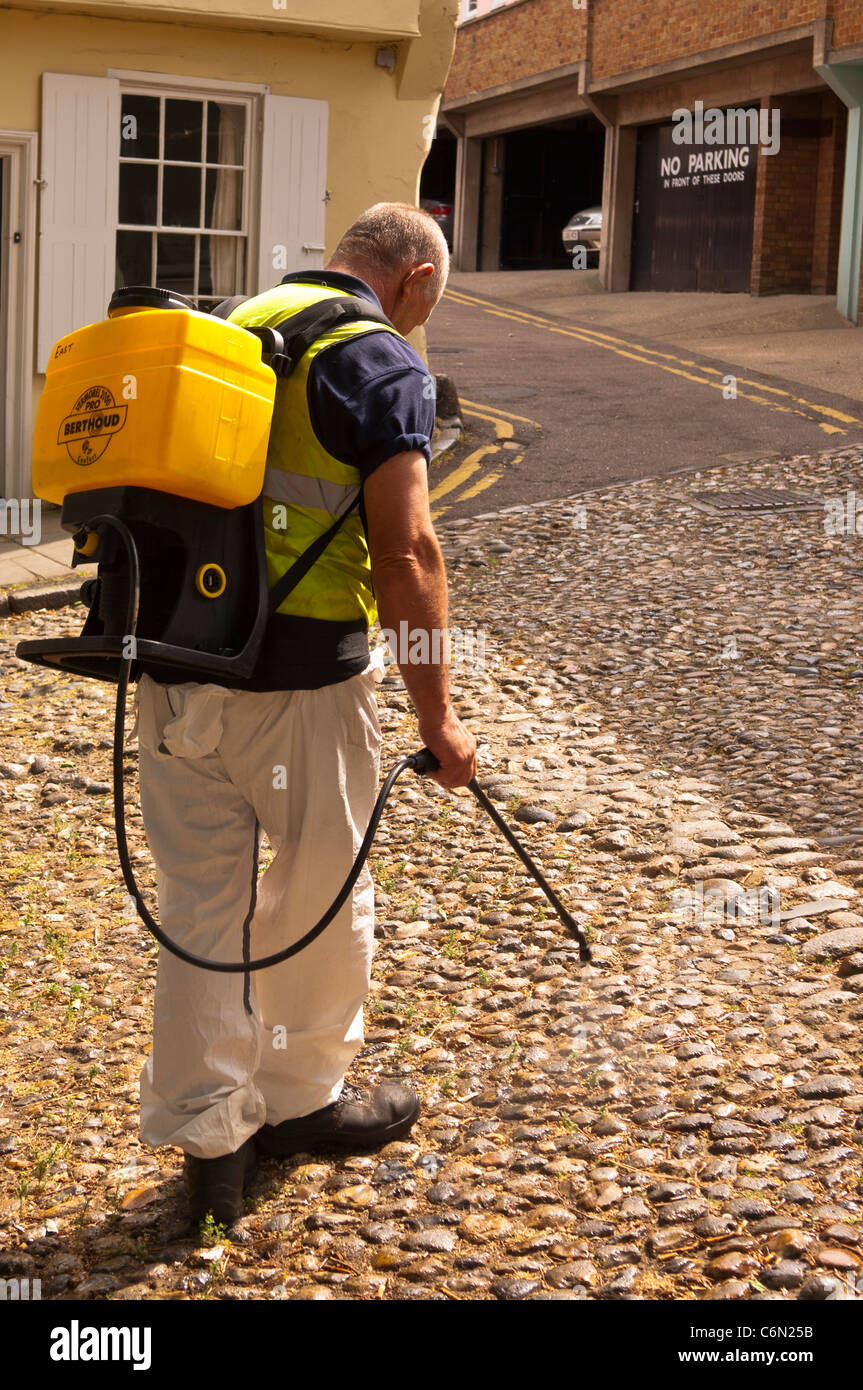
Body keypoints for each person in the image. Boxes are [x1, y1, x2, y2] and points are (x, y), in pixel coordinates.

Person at [132, 203, 477, 1225]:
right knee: (323, 898)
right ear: (412, 280)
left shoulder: (234, 325)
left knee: (200, 914)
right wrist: (437, 718)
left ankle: (210, 1150)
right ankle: (298, 1103)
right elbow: (406, 554)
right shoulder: (375, 362)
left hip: (173, 672)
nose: (420, 327)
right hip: (299, 692)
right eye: (429, 308)